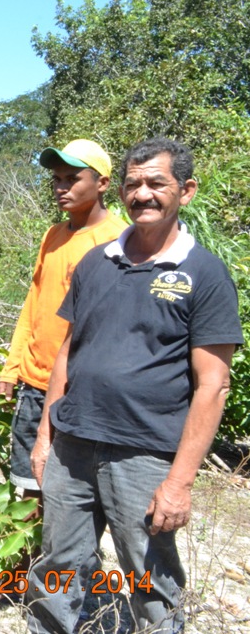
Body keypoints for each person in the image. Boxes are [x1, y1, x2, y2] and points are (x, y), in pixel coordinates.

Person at [26, 138, 243, 633]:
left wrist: (180, 483)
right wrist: (45, 437)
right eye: (133, 184)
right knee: (59, 562)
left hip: (145, 453)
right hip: (73, 443)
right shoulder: (97, 262)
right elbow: (68, 352)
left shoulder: (204, 274)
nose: (142, 194)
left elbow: (213, 385)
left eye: (156, 184)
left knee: (148, 574)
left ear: (185, 192)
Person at [0, 140, 127, 603]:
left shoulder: (116, 241)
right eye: (56, 179)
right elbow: (34, 303)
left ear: (101, 184)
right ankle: (19, 581)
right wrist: (13, 363)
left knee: (74, 494)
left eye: (71, 178)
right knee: (26, 486)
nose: (61, 187)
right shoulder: (54, 235)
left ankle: (70, 584)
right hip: (36, 381)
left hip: (78, 389)